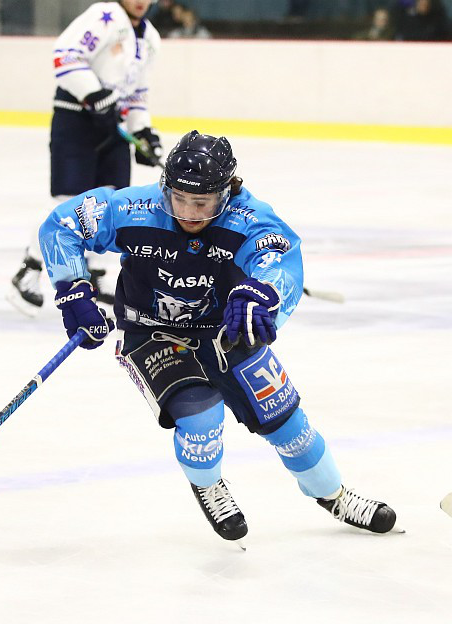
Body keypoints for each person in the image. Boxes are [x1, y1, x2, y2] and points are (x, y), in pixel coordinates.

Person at [38, 130, 399, 543]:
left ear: (227, 193)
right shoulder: (132, 207)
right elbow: (61, 225)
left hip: (227, 327)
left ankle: (334, 495)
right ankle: (209, 485)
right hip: (152, 331)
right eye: (181, 199)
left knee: (288, 426)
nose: (190, 211)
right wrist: (73, 290)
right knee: (201, 417)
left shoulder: (249, 217)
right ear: (165, 187)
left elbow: (278, 256)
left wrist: (260, 293)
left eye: (203, 202)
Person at [8, 0, 162, 317]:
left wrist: (143, 131)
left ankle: (99, 278)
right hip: (76, 120)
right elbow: (65, 56)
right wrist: (94, 94)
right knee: (68, 202)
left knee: (114, 203)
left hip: (112, 127)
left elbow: (136, 92)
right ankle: (29, 270)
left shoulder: (149, 38)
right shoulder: (103, 17)